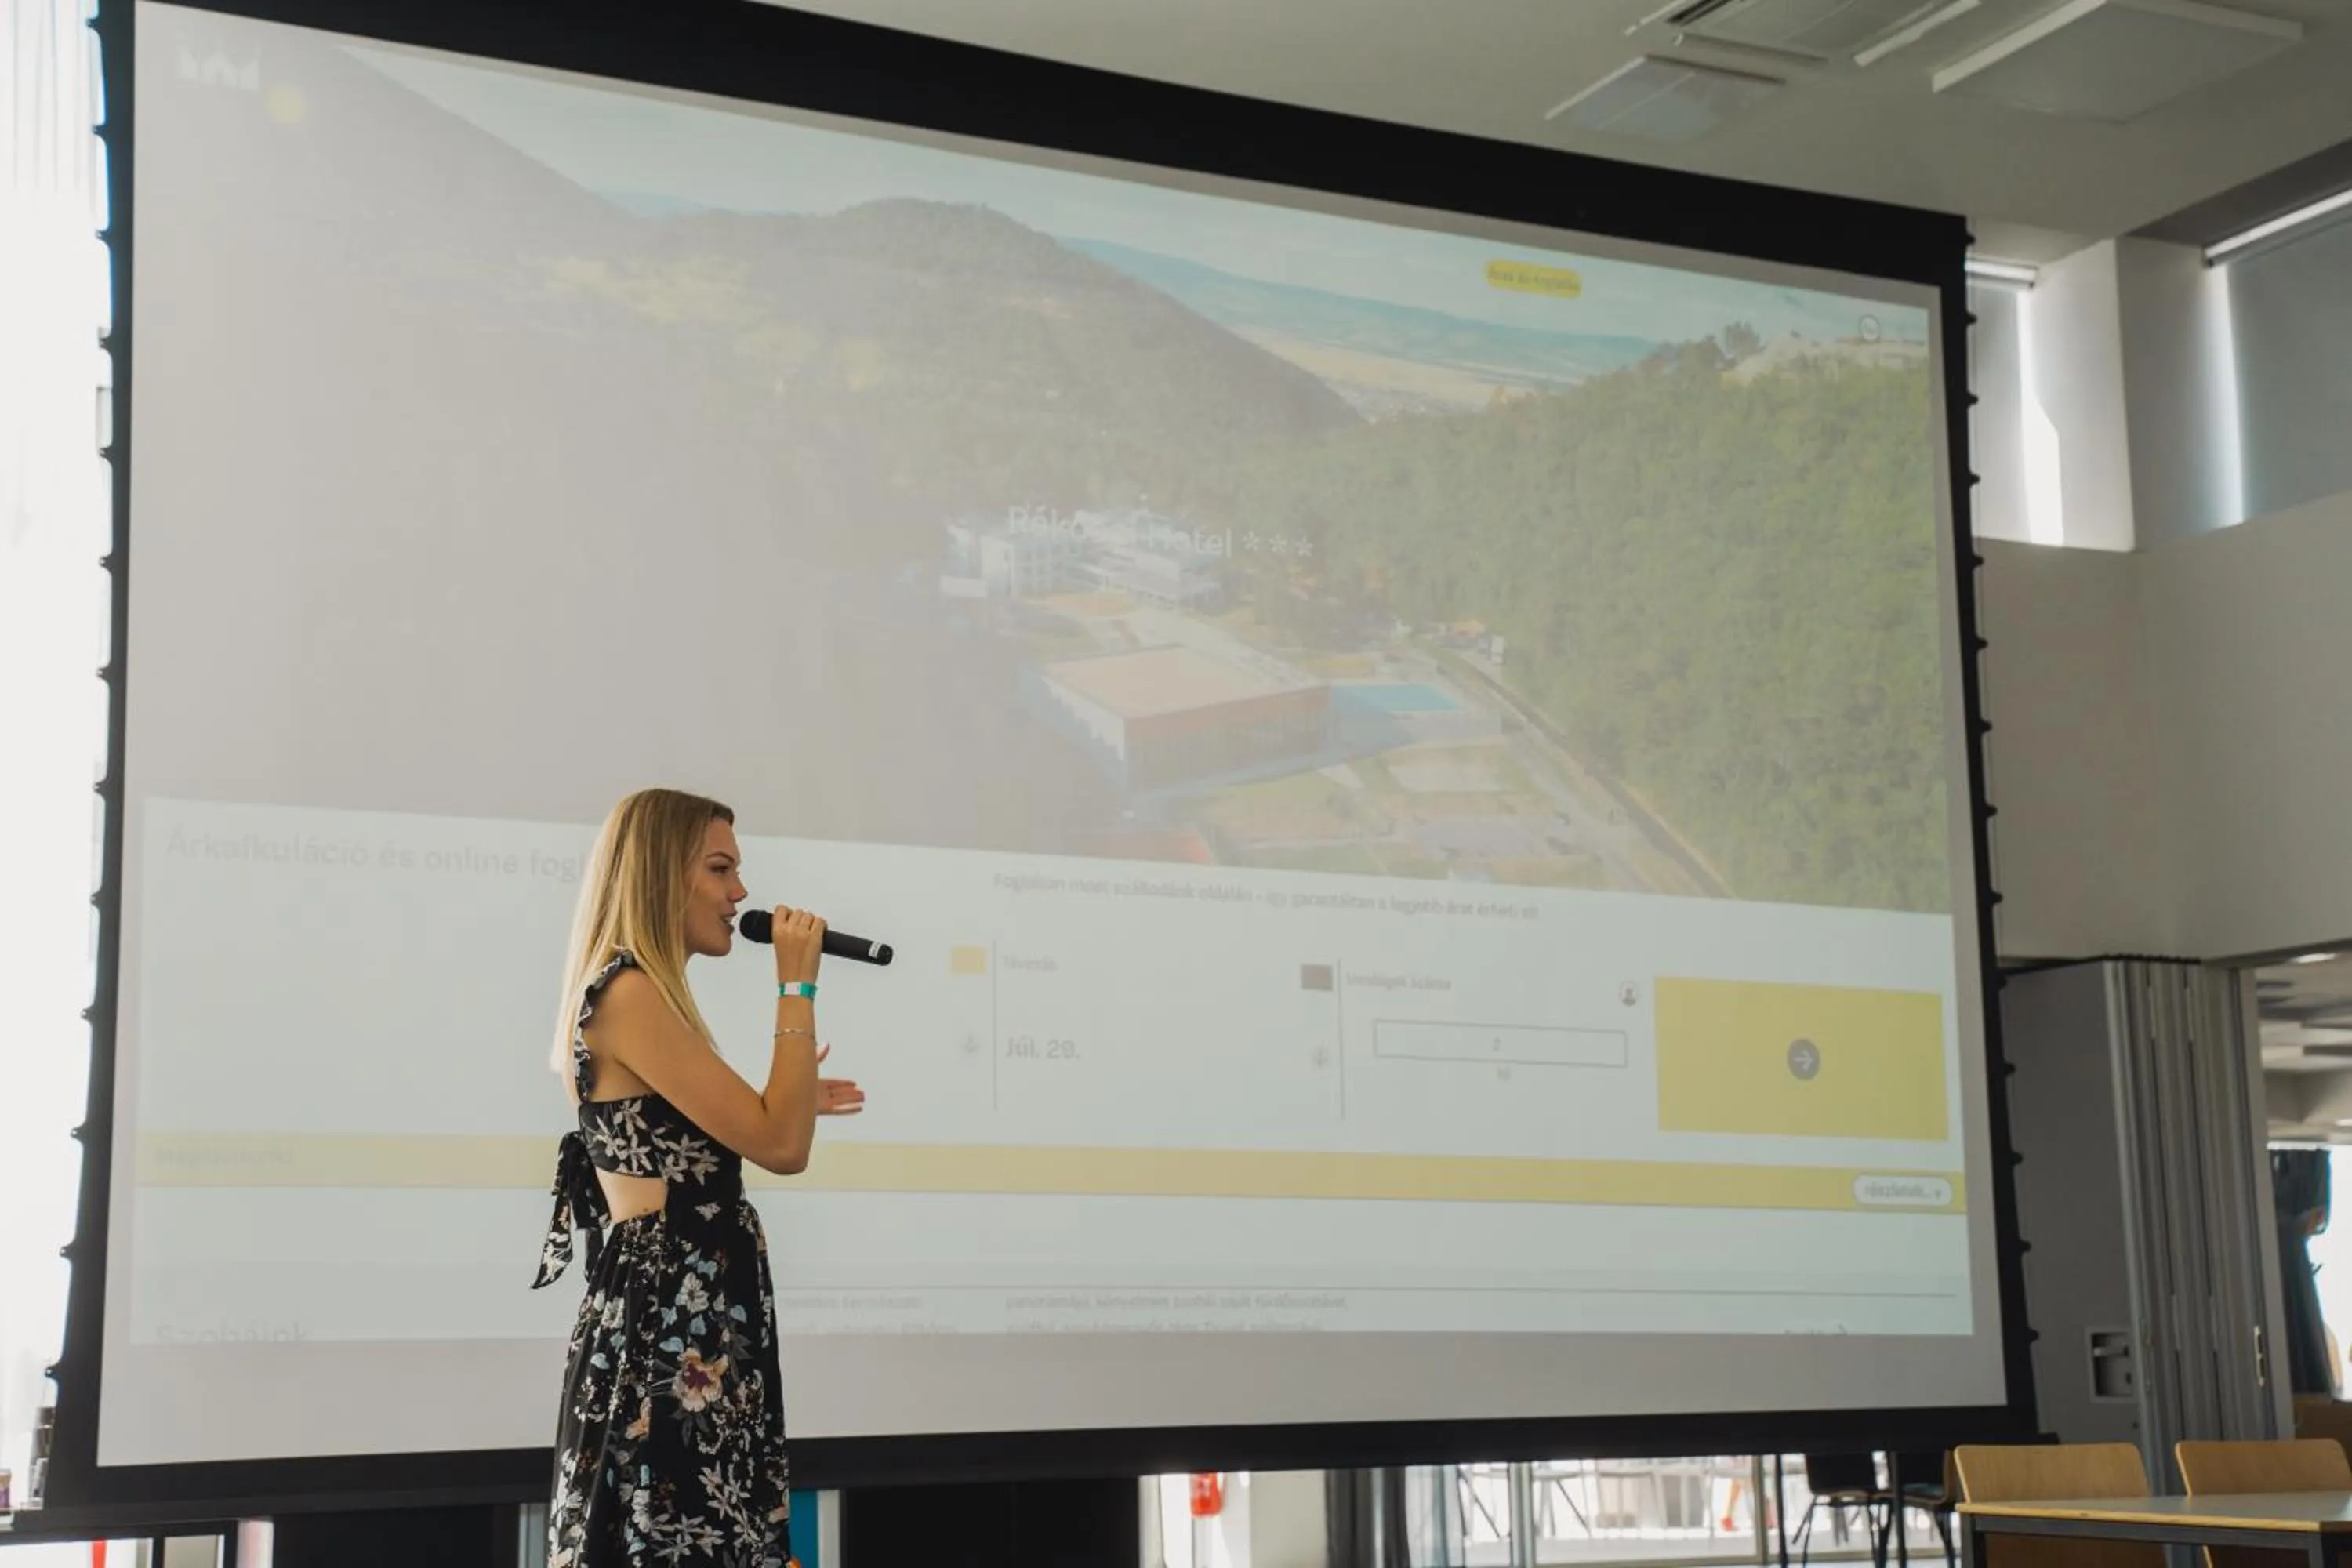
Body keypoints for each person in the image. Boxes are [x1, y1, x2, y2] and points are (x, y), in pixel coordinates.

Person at [532, 788, 866, 1567]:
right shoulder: (628, 990)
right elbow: (783, 1145)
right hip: (669, 1331)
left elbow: (722, 1131)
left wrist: (787, 1099)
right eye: (720, 868)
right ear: (659, 874)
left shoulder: (637, 994)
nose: (740, 893)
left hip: (695, 1322)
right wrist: (796, 985)